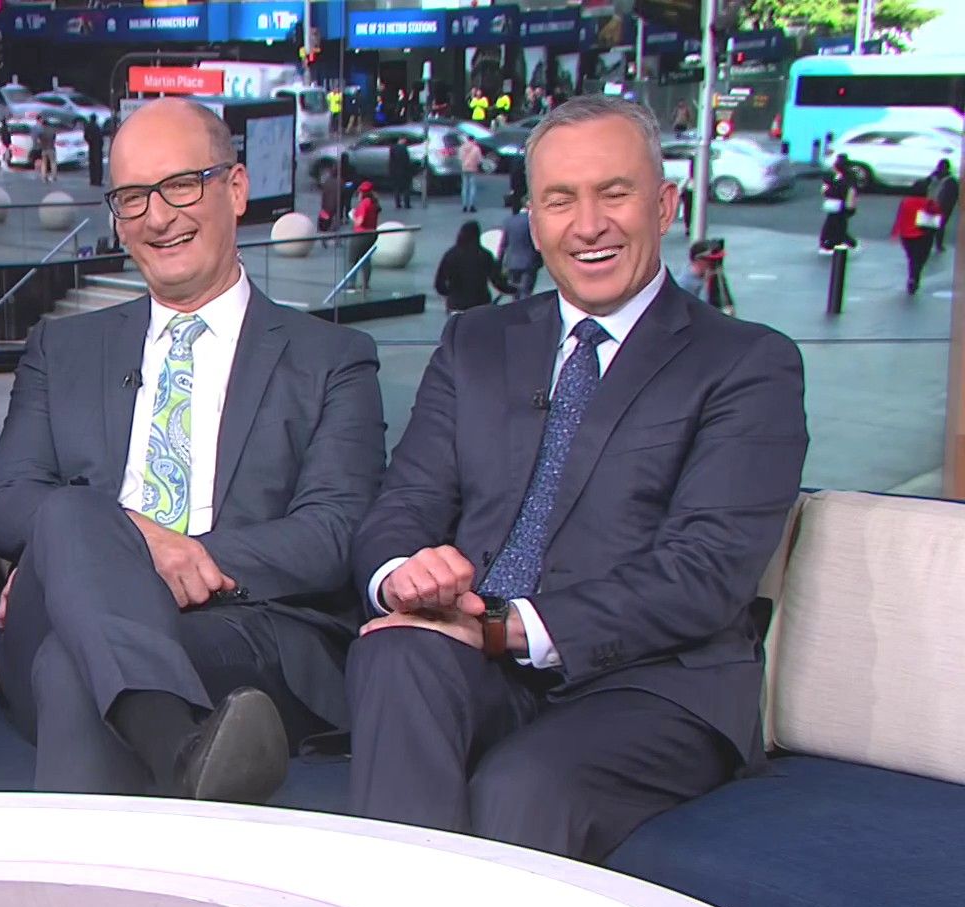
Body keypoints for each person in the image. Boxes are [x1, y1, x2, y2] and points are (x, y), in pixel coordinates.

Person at [343, 94, 809, 863]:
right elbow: (406, 501)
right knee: (394, 654)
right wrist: (404, 578)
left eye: (613, 194)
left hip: (653, 685)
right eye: (561, 201)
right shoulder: (474, 342)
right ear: (534, 220)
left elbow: (705, 571)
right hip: (479, 654)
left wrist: (506, 627)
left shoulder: (747, 364)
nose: (588, 225)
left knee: (519, 786)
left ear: (665, 205)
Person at [0, 98, 385, 800]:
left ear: (236, 188)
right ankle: (181, 751)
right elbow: (8, 501)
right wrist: (132, 543)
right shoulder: (63, 347)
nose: (158, 217)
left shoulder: (332, 358)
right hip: (62, 609)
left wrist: (168, 559)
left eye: (180, 186)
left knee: (76, 665)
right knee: (74, 514)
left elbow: (332, 532)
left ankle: (157, 754)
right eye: (133, 197)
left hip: (243, 629)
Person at [434, 219, 515, 313]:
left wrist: (451, 294)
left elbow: (439, 284)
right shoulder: (485, 255)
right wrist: (512, 290)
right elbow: (497, 281)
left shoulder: (450, 255)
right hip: (480, 303)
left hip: (456, 305)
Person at [891, 180, 944, 295]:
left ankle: (912, 277)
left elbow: (900, 216)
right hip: (923, 235)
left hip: (906, 235)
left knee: (912, 258)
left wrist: (895, 232)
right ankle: (915, 278)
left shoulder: (906, 202)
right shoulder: (928, 202)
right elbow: (938, 213)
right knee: (921, 259)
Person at [496, 195, 541, 299]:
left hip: (512, 262)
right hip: (529, 262)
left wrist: (500, 262)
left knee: (515, 292)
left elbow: (503, 244)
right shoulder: (534, 222)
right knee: (525, 292)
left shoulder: (509, 221)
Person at [819, 155, 858, 254]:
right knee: (838, 226)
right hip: (841, 207)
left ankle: (829, 244)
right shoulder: (846, 177)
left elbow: (836, 192)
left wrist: (827, 189)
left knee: (834, 226)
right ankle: (849, 243)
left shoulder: (843, 180)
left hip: (840, 207)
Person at [349, 180, 381, 291]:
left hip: (361, 234)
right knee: (366, 260)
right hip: (372, 234)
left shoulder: (364, 204)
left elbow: (359, 221)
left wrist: (353, 216)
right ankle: (365, 284)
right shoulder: (374, 203)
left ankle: (351, 284)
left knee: (352, 259)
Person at [928, 159, 957, 253]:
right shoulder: (935, 177)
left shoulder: (949, 180)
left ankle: (936, 245)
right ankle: (934, 245)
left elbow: (952, 197)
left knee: (936, 226)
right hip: (933, 205)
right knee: (932, 226)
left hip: (937, 206)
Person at [459, 135, 484, 213]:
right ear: (473, 140)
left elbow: (460, 158)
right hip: (473, 168)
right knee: (472, 187)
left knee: (464, 187)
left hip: (464, 168)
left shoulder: (462, 148)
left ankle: (464, 205)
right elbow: (479, 160)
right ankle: (471, 205)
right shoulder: (476, 148)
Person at [388, 139, 415, 210]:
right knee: (406, 188)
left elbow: (391, 161)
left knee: (396, 188)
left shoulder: (392, 148)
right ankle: (407, 204)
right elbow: (407, 161)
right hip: (404, 171)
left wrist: (391, 171)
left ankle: (398, 204)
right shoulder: (404, 149)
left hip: (395, 171)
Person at [83, 113, 106, 187]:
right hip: (98, 148)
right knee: (98, 165)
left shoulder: (88, 126)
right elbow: (100, 137)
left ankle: (92, 180)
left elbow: (85, 136)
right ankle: (98, 181)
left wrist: (89, 142)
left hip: (91, 147)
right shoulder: (97, 127)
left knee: (92, 164)